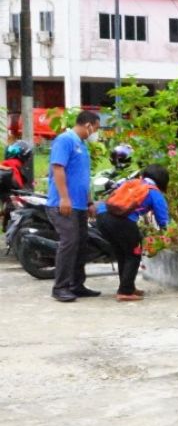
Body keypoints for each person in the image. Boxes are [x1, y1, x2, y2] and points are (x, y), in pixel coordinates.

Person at [46, 110, 101, 302]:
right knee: (69, 243)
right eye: (95, 128)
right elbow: (58, 168)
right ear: (88, 125)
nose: (95, 132)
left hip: (79, 205)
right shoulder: (65, 140)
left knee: (80, 244)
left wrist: (89, 201)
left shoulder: (82, 145)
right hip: (63, 203)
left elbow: (82, 177)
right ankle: (60, 287)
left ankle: (77, 284)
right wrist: (64, 198)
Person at [95, 164, 170, 302]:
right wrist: (168, 234)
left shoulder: (130, 182)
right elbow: (163, 219)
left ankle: (127, 286)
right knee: (133, 255)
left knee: (122, 253)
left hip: (101, 216)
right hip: (122, 221)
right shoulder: (153, 191)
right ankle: (125, 291)